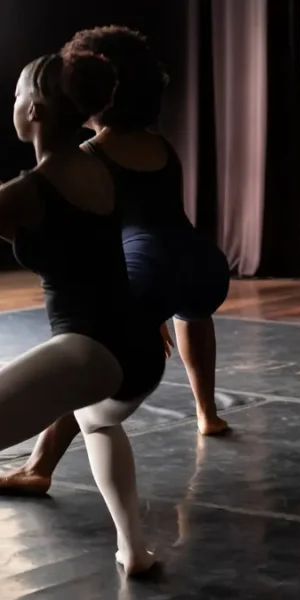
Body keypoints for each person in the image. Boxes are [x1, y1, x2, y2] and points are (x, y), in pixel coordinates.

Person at [0, 26, 232, 498]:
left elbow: (105, 244)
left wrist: (142, 306)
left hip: (146, 268)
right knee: (192, 315)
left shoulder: (88, 156)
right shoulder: (161, 147)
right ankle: (206, 413)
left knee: (91, 366)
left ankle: (39, 465)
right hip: (201, 263)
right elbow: (169, 226)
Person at [0, 52, 166, 575]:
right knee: (98, 425)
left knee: (93, 413)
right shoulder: (98, 163)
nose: (12, 102)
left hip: (90, 351)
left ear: (35, 110)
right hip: (140, 347)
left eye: (17, 94)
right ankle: (134, 551)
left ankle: (135, 549)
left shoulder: (30, 190)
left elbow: (28, 212)